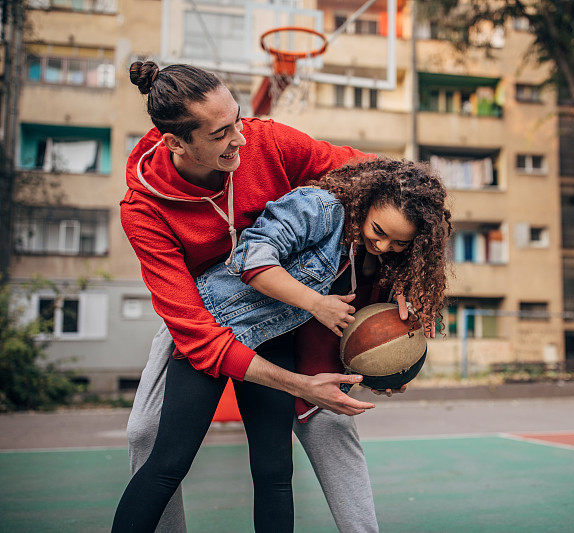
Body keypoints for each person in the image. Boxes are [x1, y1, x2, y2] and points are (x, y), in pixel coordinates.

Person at [112, 61, 398, 532]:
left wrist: (411, 263)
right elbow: (195, 332)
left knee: (274, 469)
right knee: (157, 451)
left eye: (238, 120)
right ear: (177, 143)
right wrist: (297, 384)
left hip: (279, 315)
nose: (240, 139)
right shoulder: (144, 209)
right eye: (222, 133)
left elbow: (373, 174)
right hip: (204, 317)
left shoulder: (265, 142)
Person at [196, 158, 452, 426]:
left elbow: (361, 338)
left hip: (282, 354)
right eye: (379, 231)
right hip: (211, 324)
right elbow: (251, 259)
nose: (384, 245)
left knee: (274, 464)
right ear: (369, 200)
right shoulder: (320, 209)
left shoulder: (388, 267)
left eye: (399, 243)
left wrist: (385, 370)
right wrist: (316, 303)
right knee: (166, 453)